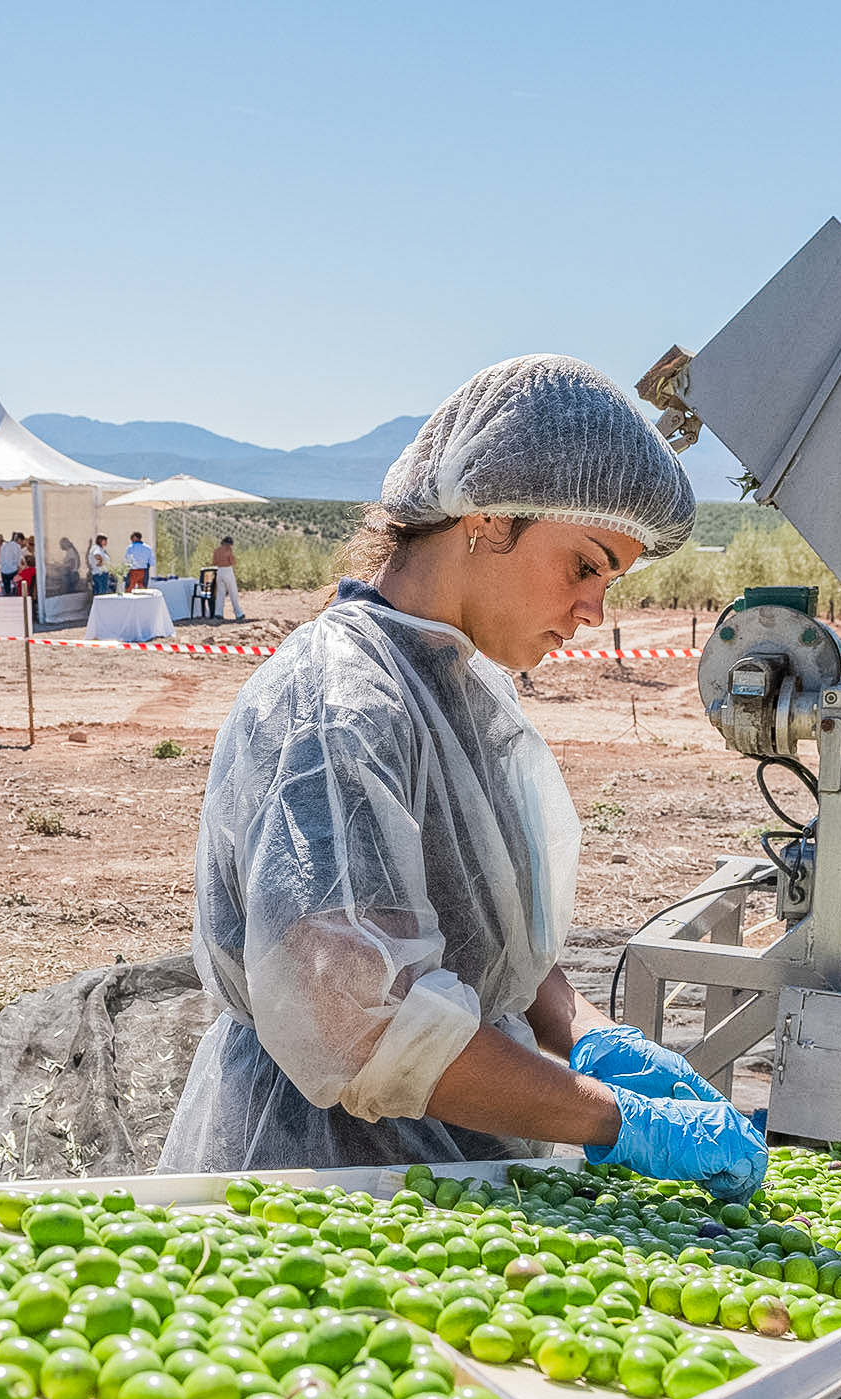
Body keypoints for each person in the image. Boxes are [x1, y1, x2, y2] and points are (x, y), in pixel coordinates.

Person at [158, 353, 763, 1191]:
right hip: (327, 1185)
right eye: (585, 565)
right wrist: (616, 1120)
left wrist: (586, 1032)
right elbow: (358, 1018)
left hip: (466, 1172)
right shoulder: (341, 702)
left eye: (612, 581)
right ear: (483, 515)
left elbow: (479, 932)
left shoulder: (461, 689)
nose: (594, 610)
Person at [211, 534, 242, 620]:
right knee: (233, 592)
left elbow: (214, 562)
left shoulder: (216, 550)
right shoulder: (229, 549)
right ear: (229, 543)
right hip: (228, 570)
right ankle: (238, 613)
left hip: (219, 571)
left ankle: (218, 613)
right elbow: (232, 562)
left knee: (220, 593)